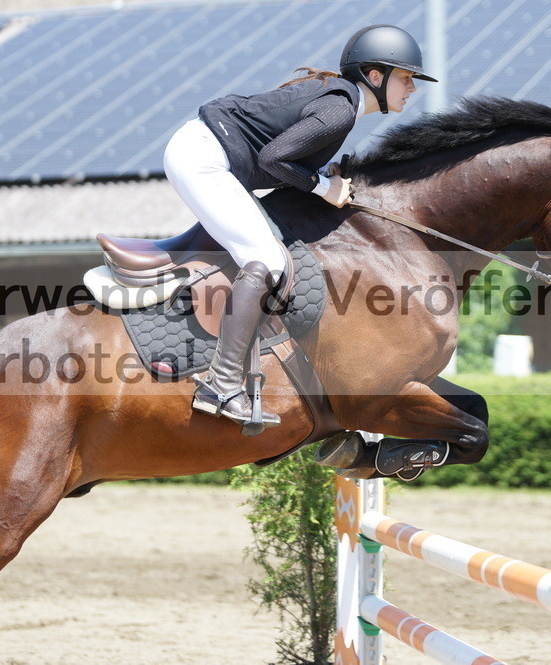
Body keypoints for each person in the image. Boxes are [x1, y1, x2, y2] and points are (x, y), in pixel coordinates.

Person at [163, 24, 437, 432]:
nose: (412, 87)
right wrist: (326, 188)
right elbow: (275, 158)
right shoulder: (341, 108)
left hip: (207, 152)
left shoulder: (341, 101)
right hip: (204, 160)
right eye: (406, 77)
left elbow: (281, 155)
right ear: (374, 77)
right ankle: (220, 385)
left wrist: (318, 176)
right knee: (268, 261)